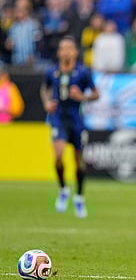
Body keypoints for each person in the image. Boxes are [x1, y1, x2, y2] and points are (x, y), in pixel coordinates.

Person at [40, 36, 100, 218]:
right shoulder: (52, 72)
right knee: (58, 156)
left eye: (69, 48)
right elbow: (45, 89)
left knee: (79, 161)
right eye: (62, 48)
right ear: (58, 52)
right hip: (58, 117)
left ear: (75, 52)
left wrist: (82, 97)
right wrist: (47, 103)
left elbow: (96, 94)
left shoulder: (82, 73)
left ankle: (79, 197)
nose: (65, 51)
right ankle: (63, 189)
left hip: (76, 119)